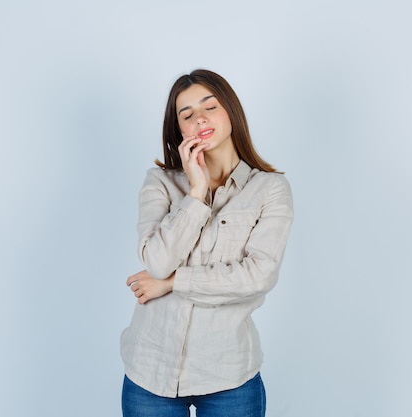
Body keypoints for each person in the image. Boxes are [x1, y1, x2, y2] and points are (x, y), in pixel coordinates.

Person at [120, 69, 294, 417]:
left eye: (209, 107)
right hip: (150, 373)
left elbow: (257, 277)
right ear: (179, 130)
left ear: (230, 111)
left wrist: (171, 283)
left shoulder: (270, 189)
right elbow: (156, 261)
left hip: (229, 376)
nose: (199, 118)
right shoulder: (160, 183)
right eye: (187, 114)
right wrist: (197, 193)